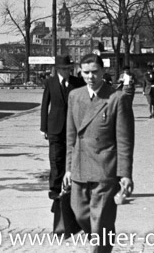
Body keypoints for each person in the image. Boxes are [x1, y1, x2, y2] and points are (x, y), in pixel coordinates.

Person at [64, 53, 135, 253]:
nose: (90, 77)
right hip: (79, 168)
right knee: (80, 215)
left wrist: (125, 174)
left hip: (105, 169)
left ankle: (101, 245)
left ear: (103, 71)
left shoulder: (117, 98)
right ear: (80, 72)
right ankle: (103, 237)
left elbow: (124, 140)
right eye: (86, 72)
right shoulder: (75, 96)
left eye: (95, 72)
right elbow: (71, 137)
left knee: (100, 222)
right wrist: (68, 169)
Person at [40, 55, 85, 237]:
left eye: (69, 68)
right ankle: (55, 187)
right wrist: (44, 127)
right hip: (55, 125)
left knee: (71, 155)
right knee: (55, 157)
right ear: (58, 69)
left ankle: (71, 185)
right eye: (64, 69)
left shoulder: (77, 82)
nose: (67, 72)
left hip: (73, 125)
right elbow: (45, 105)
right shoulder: (50, 83)